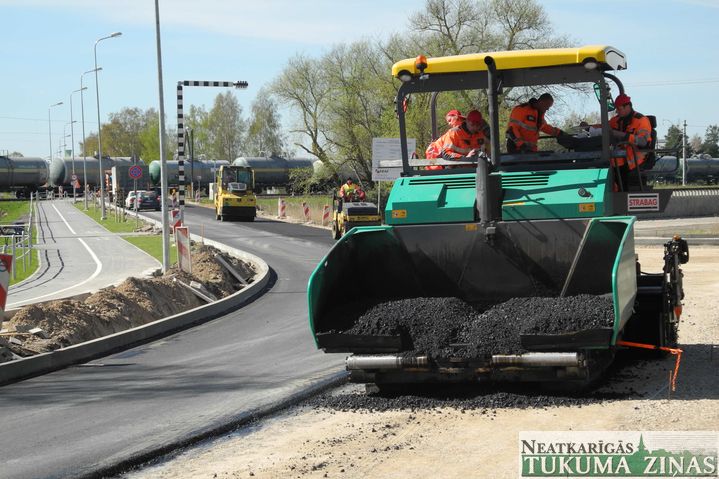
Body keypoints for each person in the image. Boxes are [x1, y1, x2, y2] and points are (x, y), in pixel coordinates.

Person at [608, 93, 652, 190]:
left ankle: (620, 191)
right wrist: (589, 127)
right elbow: (604, 127)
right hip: (620, 159)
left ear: (627, 106)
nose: (617, 112)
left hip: (636, 160)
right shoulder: (615, 120)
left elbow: (643, 142)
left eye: (619, 109)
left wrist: (624, 136)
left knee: (617, 167)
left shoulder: (641, 120)